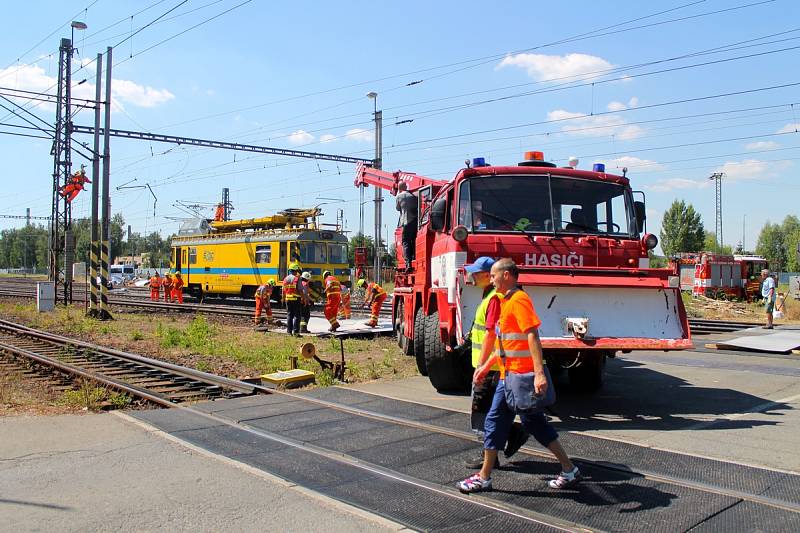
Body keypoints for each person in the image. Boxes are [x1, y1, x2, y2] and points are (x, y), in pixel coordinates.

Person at [458, 258, 580, 493]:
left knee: (531, 423)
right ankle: (486, 476)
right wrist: (485, 367)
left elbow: (532, 335)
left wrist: (538, 374)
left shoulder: (519, 300)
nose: (491, 279)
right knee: (496, 422)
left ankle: (569, 469)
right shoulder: (504, 301)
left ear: (506, 275)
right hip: (509, 375)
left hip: (522, 377)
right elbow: (505, 344)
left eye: (494, 275)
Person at [464, 256, 528, 469]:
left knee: (482, 412)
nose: (471, 276)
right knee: (492, 410)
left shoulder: (492, 299)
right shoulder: (490, 296)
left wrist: (481, 366)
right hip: (492, 365)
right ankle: (510, 434)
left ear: (485, 275)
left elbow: (492, 334)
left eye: (475, 273)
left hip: (489, 367)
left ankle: (489, 456)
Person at [395, 182, 418, 271]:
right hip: (415, 221)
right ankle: (415, 257)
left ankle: (408, 263)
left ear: (399, 188)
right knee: (414, 240)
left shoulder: (399, 196)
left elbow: (397, 208)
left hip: (406, 221)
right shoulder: (412, 196)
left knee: (406, 242)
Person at [282, 267, 303, 336]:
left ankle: (289, 332)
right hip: (296, 298)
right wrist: (303, 297)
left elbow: (283, 290)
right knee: (297, 316)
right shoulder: (298, 278)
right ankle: (296, 333)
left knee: (289, 315)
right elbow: (300, 289)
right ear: (296, 271)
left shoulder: (286, 279)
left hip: (288, 299)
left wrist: (283, 298)